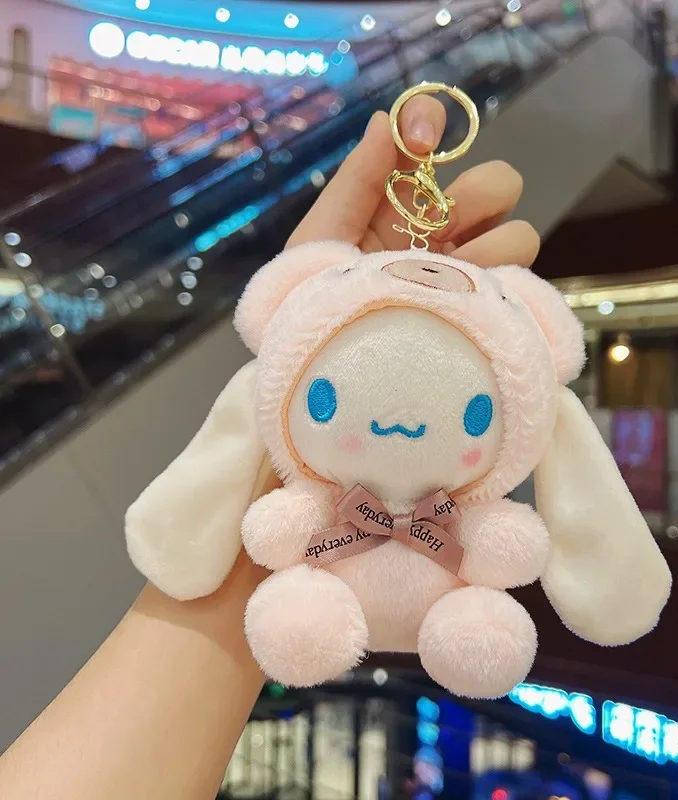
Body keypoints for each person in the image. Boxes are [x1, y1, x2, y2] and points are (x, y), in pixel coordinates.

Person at [0, 95, 540, 800]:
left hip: (440, 594)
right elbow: (273, 524)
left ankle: (465, 628)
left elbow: (514, 545)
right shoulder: (301, 357)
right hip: (322, 578)